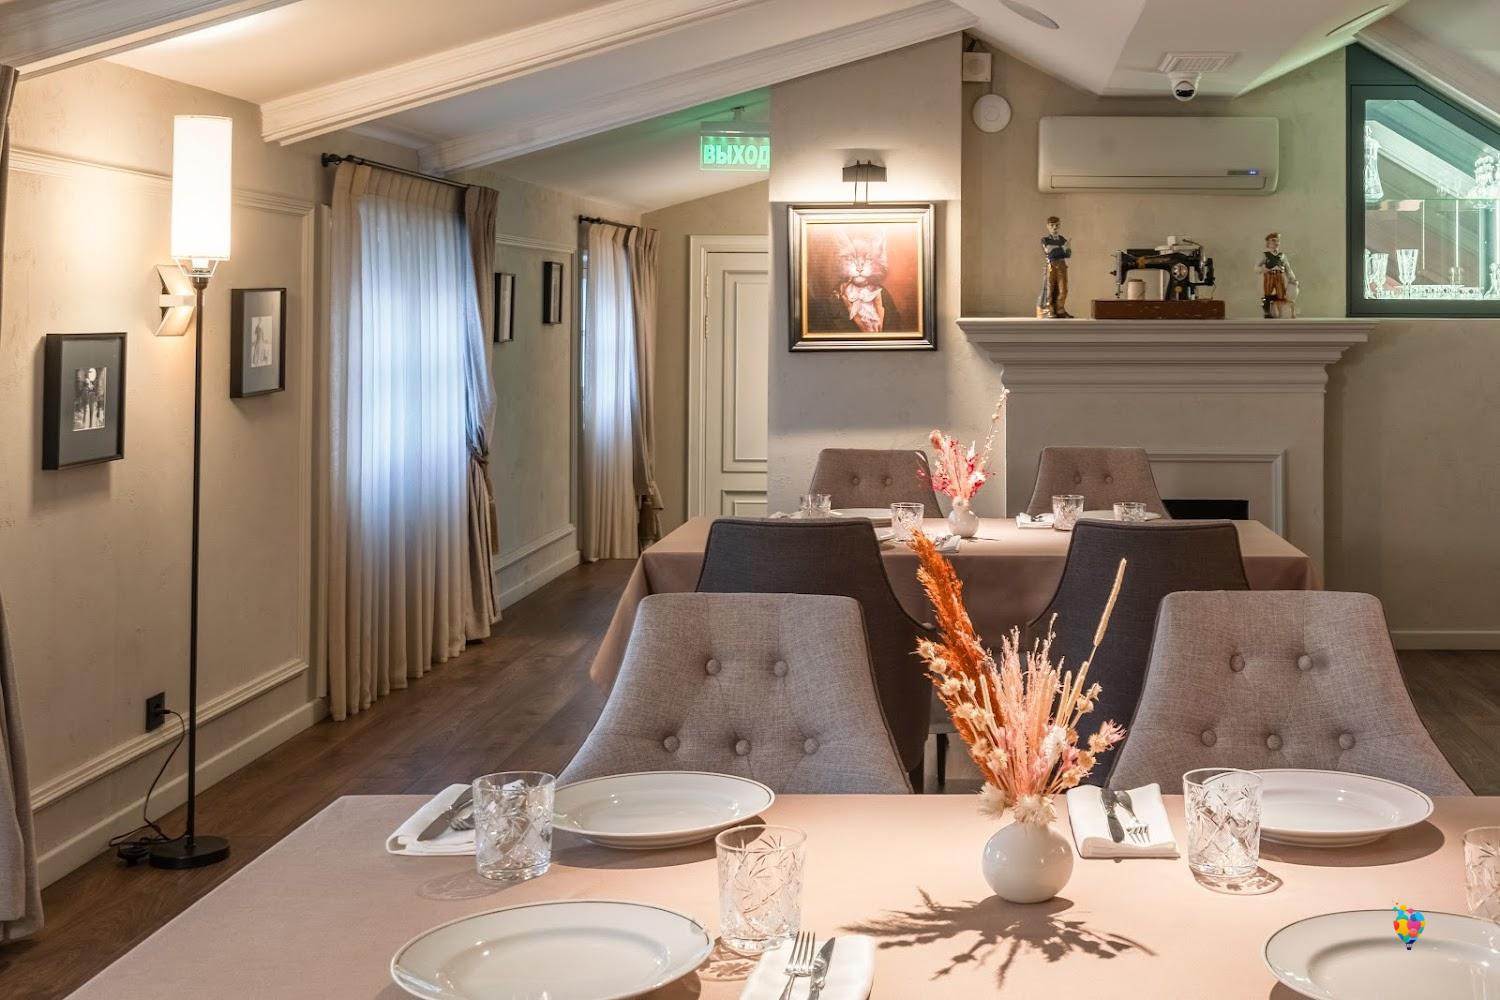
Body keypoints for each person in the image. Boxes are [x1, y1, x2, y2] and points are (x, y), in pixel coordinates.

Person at [1037, 217, 1072, 319]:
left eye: (1057, 225)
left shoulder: (1062, 239)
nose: (1054, 227)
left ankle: (1060, 309)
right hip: (1051, 266)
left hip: (1062, 266)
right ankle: (1050, 309)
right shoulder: (1045, 240)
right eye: (1052, 225)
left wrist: (1061, 249)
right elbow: (1049, 252)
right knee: (1050, 288)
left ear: (1059, 226)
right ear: (1048, 226)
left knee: (1063, 289)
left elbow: (1068, 254)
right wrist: (1062, 249)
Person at [1257, 232, 1297, 319]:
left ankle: (1278, 309)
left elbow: (1288, 269)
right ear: (1268, 242)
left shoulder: (1282, 256)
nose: (1276, 243)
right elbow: (1256, 267)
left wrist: (1293, 279)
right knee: (1267, 293)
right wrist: (1264, 270)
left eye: (1277, 241)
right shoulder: (1265, 255)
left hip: (1280, 276)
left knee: (1281, 295)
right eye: (1273, 240)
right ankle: (1267, 310)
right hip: (1269, 276)